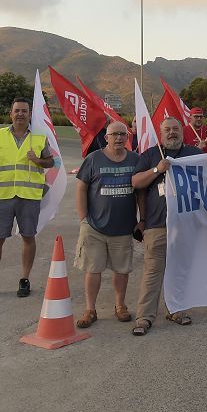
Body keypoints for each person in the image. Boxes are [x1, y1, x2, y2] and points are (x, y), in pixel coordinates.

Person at [130, 117, 202, 335]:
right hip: (157, 224)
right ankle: (144, 317)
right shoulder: (151, 155)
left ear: (182, 131)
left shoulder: (195, 155)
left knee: (179, 270)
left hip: (186, 225)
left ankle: (176, 310)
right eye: (167, 130)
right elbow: (135, 183)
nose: (172, 133)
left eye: (175, 129)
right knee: (153, 271)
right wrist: (157, 170)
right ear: (161, 134)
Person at [0, 98, 54, 300]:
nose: (20, 114)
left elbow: (50, 161)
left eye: (24, 111)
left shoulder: (39, 137)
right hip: (3, 196)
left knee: (28, 237)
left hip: (29, 197)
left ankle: (24, 279)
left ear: (29, 114)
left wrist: (37, 160)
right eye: (17, 110)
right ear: (10, 113)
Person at [74, 120, 140, 328]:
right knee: (92, 270)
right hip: (94, 227)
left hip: (123, 228)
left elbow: (141, 191)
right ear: (106, 137)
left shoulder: (135, 160)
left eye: (123, 134)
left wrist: (142, 220)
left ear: (127, 138)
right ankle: (90, 309)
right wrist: (83, 218)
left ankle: (120, 306)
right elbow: (81, 188)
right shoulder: (93, 159)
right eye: (114, 135)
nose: (119, 138)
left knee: (121, 270)